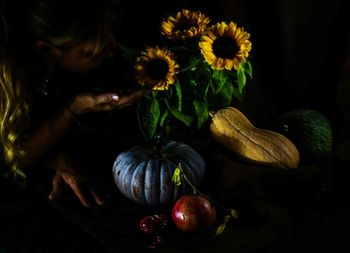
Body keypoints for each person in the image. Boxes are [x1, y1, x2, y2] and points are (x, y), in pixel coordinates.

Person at [0, 0, 149, 209]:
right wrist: (74, 108)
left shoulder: (46, 59)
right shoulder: (8, 82)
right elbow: (12, 154)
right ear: (46, 51)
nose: (113, 51)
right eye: (90, 52)